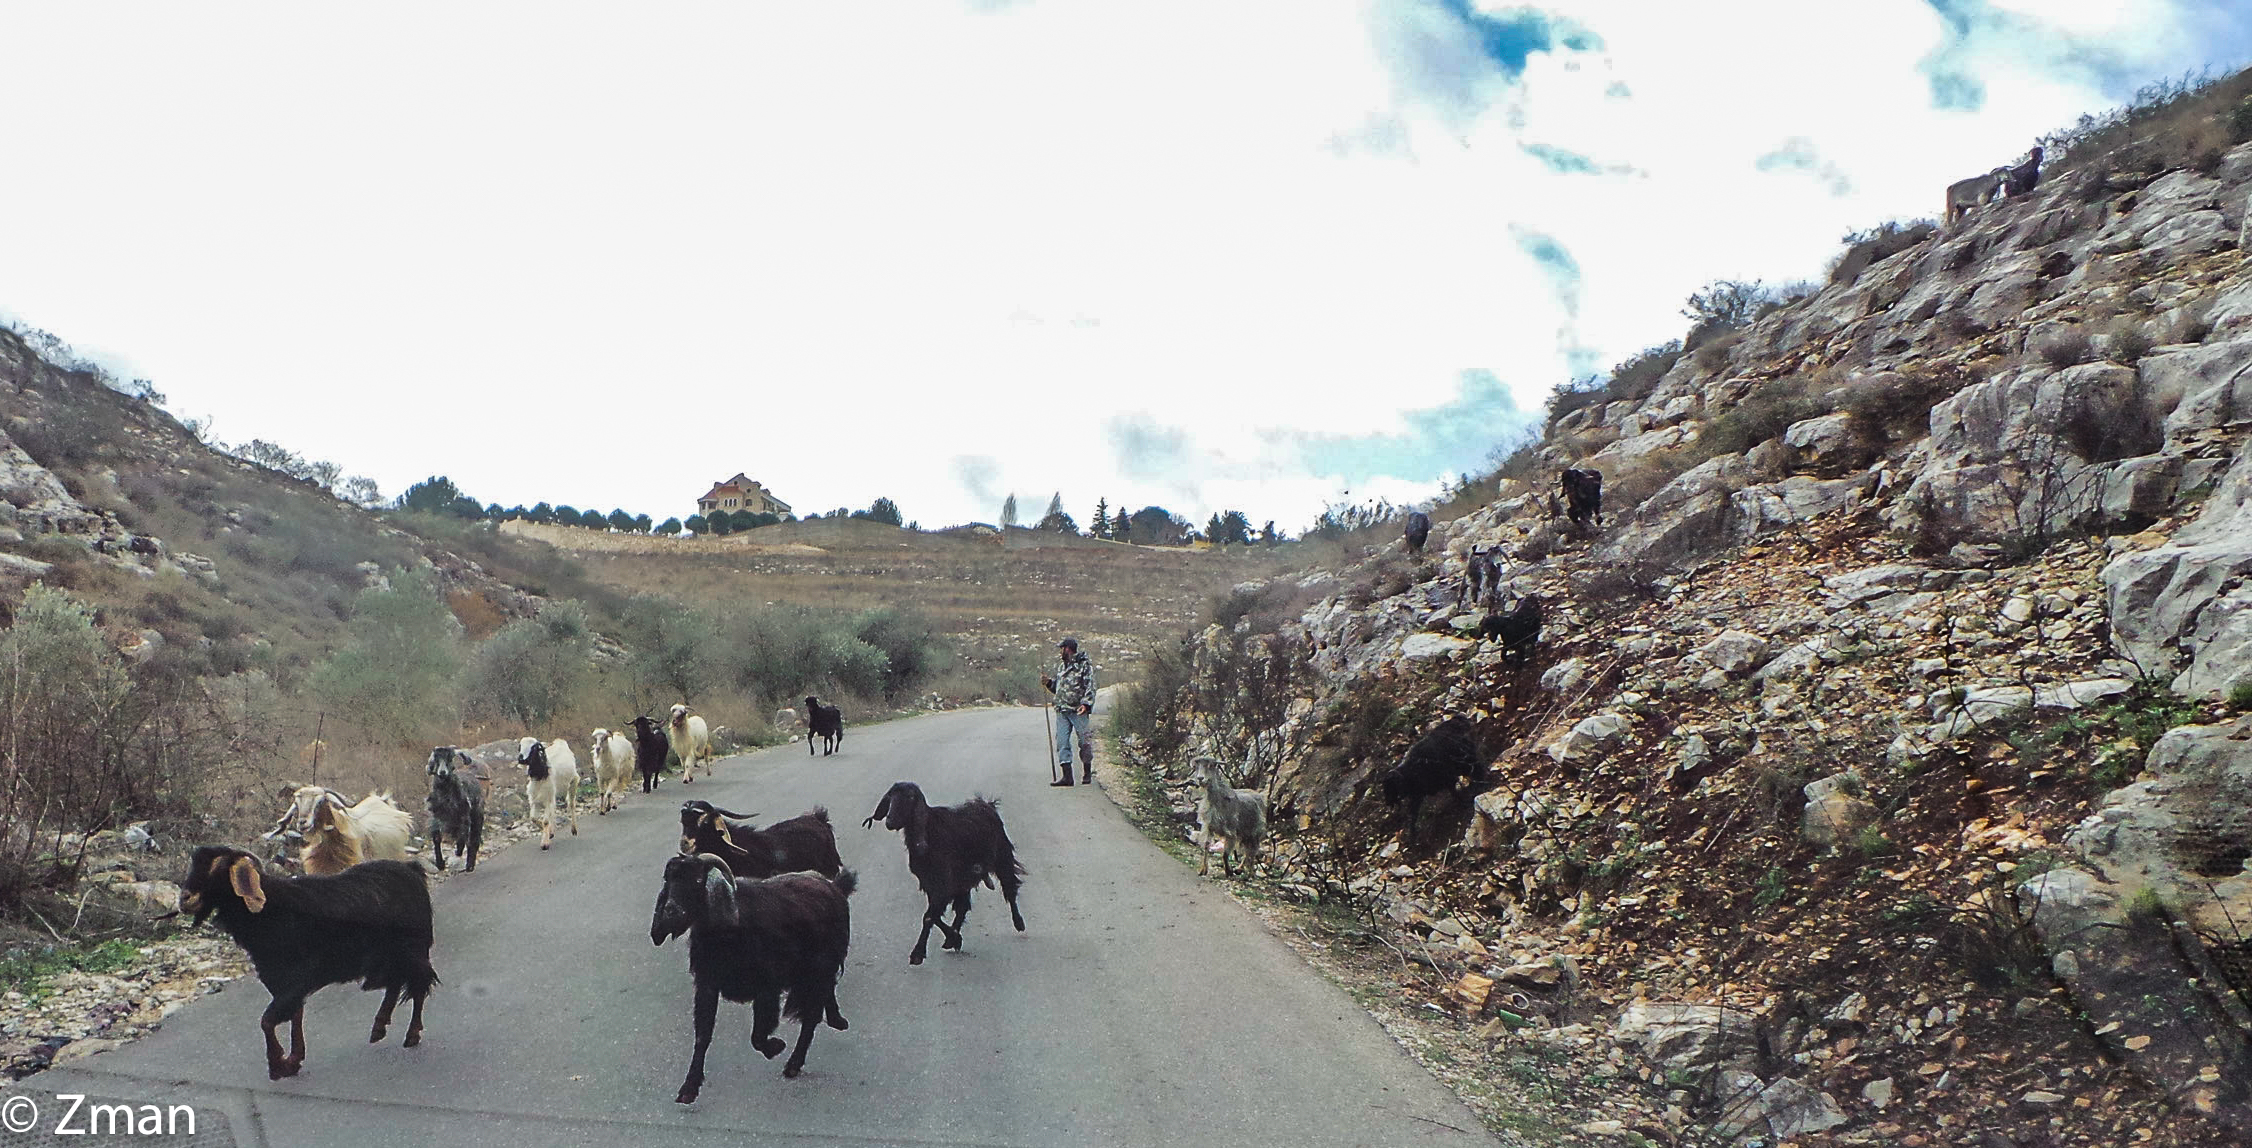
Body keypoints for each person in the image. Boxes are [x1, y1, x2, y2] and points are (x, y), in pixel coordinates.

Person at [1041, 636, 1095, 786]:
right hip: (1062, 710)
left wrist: (1086, 704)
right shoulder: (1061, 667)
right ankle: (1067, 777)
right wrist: (1049, 684)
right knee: (1062, 742)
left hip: (1078, 711)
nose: (1060, 652)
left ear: (1068, 649)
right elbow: (1058, 689)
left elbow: (1090, 686)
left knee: (1085, 742)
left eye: (1062, 648)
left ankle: (1087, 772)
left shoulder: (1084, 666)